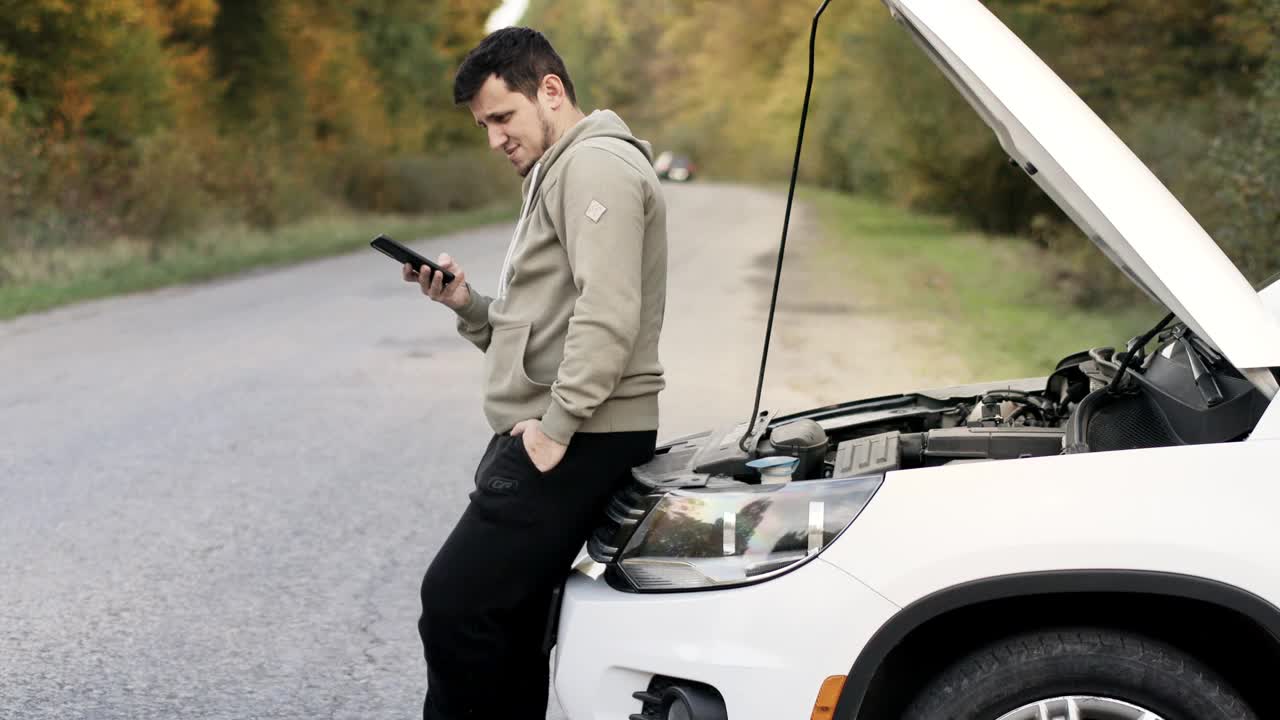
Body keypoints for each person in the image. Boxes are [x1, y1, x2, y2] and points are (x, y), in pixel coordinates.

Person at [405, 27, 668, 720]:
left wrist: (554, 432)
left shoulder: (596, 167)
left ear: (550, 91)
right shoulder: (560, 169)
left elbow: (609, 314)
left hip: (581, 434)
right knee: (507, 626)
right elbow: (543, 329)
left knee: (456, 607)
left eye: (502, 117)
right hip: (567, 428)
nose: (493, 139)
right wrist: (465, 304)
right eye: (483, 125)